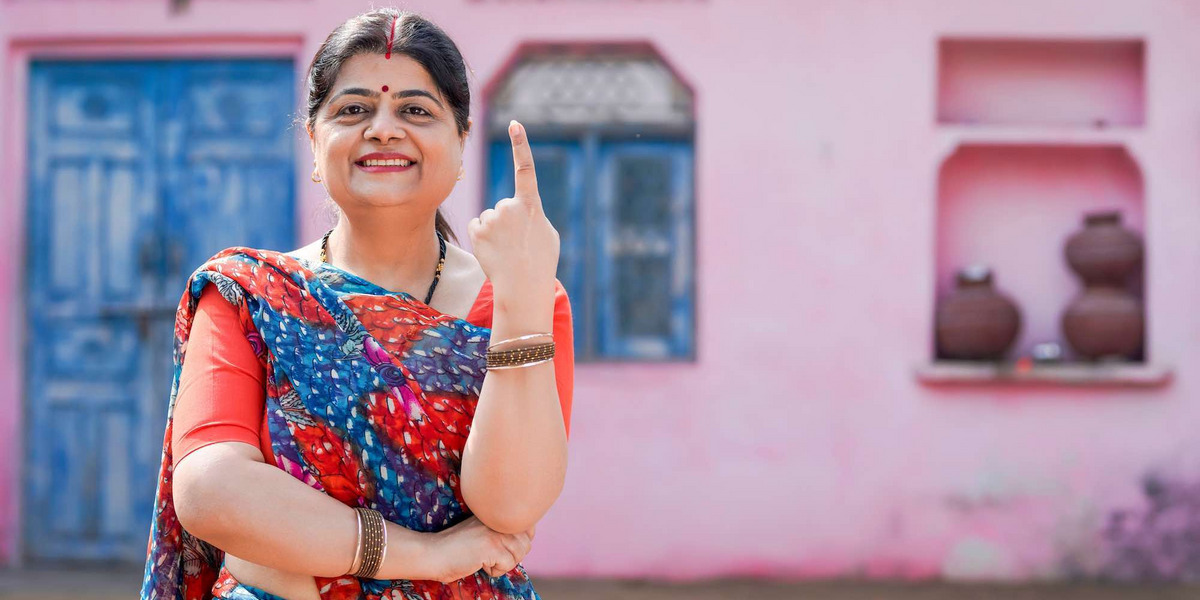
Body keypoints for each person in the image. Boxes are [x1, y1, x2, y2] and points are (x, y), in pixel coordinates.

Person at [141, 8, 574, 600]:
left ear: (461, 141)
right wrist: (427, 555)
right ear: (315, 143)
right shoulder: (250, 295)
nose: (384, 129)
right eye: (353, 110)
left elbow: (511, 505)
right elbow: (212, 491)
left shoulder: (520, 301)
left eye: (416, 110)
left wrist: (520, 303)